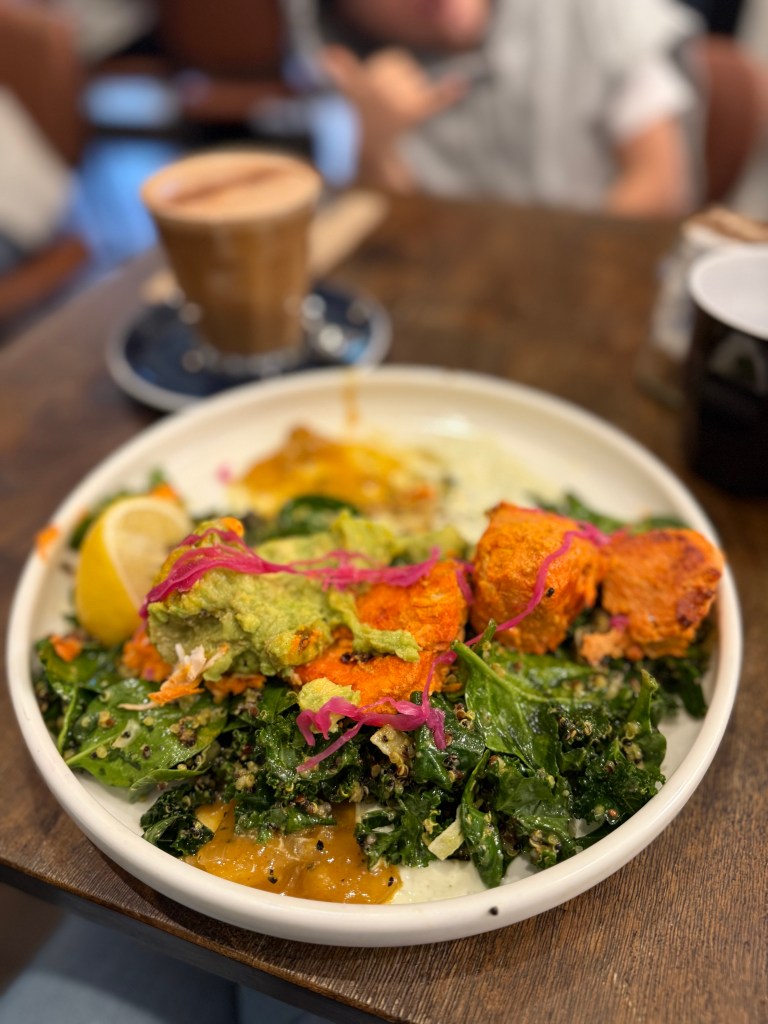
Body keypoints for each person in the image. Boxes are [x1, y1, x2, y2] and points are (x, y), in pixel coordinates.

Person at [282, 0, 705, 216]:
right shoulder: (377, 84)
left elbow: (661, 185)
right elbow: (407, 245)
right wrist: (376, 146)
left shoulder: (588, 10)